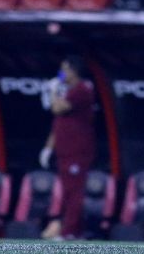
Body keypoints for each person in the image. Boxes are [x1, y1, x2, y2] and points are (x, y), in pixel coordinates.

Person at [39, 56, 97, 241]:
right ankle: (74, 231)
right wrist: (48, 148)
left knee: (74, 192)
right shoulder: (69, 92)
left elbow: (57, 109)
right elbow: (58, 124)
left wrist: (53, 91)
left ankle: (70, 232)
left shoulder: (82, 90)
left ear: (73, 71)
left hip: (78, 151)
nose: (61, 74)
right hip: (64, 152)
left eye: (64, 70)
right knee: (67, 191)